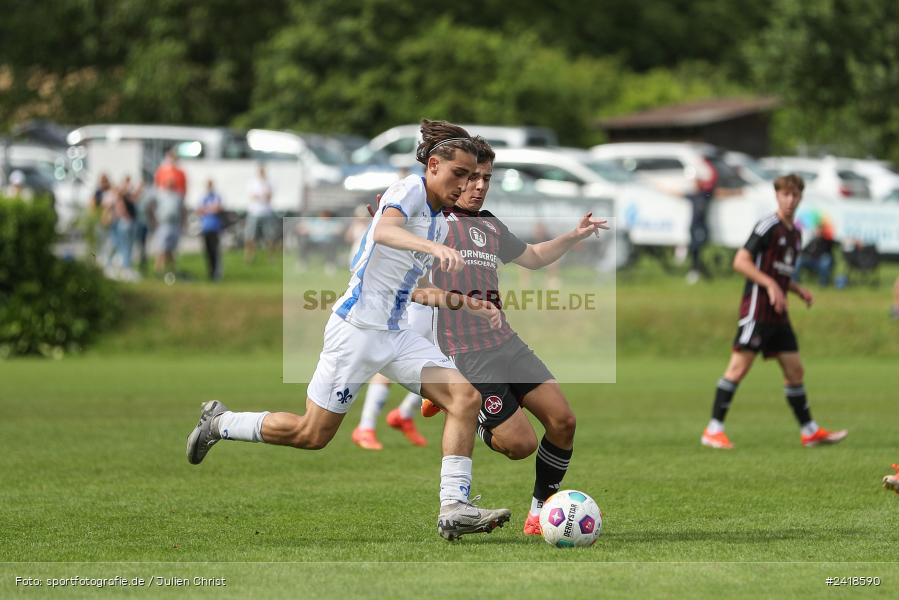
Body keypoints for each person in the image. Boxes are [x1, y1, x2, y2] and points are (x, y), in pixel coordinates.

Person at [186, 120, 511, 540]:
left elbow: (413, 290)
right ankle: (220, 423)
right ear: (433, 165)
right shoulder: (408, 191)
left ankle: (454, 506)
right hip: (356, 330)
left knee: (465, 397)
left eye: (472, 176)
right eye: (459, 174)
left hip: (394, 335)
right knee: (312, 433)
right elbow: (385, 230)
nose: (466, 183)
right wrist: (434, 248)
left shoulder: (435, 219)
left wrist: (466, 302)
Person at [420, 137, 608, 536]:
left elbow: (534, 256)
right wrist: (467, 304)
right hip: (466, 353)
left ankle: (539, 514)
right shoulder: (433, 225)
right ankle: (466, 412)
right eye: (471, 177)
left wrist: (574, 236)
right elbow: (417, 290)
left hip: (505, 342)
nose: (479, 185)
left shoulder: (489, 225)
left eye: (486, 177)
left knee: (563, 421)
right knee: (520, 445)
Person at [701, 174, 848, 450]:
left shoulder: (795, 234)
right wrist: (769, 284)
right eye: (785, 195)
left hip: (778, 313)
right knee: (737, 368)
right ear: (777, 196)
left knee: (795, 370)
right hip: (757, 309)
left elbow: (779, 273)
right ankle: (712, 430)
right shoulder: (768, 225)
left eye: (795, 195)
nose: (790, 200)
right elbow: (740, 262)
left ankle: (809, 431)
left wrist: (796, 288)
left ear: (801, 198)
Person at [244, 165, 274, 263]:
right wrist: (261, 196)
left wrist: (261, 195)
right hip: (254, 212)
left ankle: (270, 257)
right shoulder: (252, 182)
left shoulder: (269, 183)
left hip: (266, 212)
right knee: (250, 236)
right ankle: (249, 256)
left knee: (269, 236)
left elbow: (269, 196)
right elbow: (252, 196)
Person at [198, 179, 224, 281]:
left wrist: (207, 209)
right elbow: (199, 210)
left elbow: (217, 209)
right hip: (205, 227)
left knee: (215, 252)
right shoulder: (203, 197)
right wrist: (209, 209)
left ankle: (217, 274)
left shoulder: (216, 196)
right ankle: (210, 273)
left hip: (215, 228)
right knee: (207, 252)